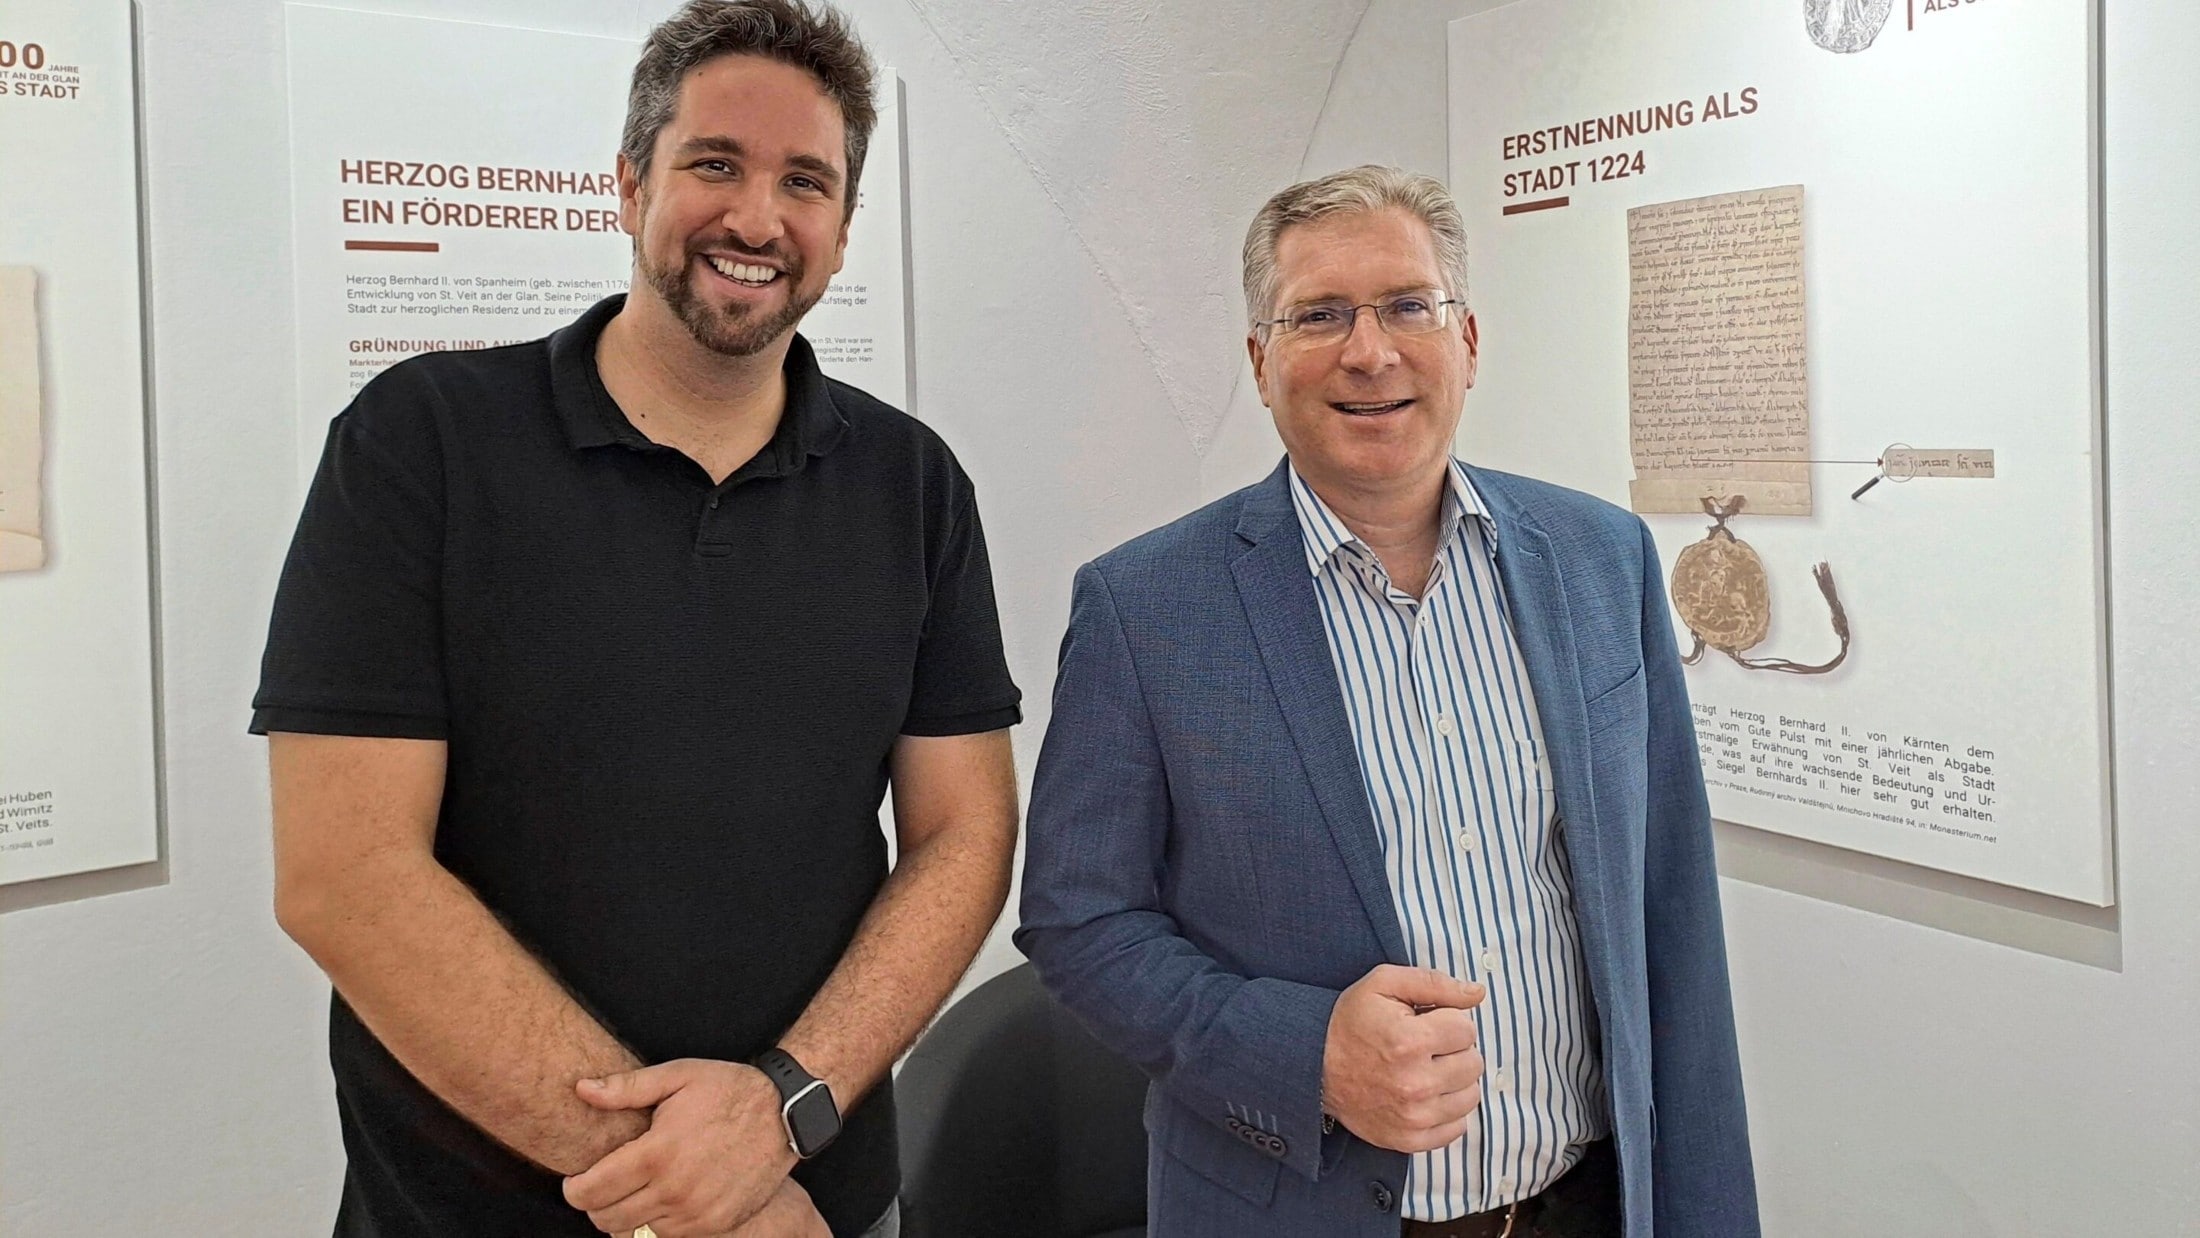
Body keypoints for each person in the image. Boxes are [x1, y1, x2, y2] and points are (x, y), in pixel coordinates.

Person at [255, 3, 1022, 1236]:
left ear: (841, 226)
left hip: (821, 1189)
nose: (758, 218)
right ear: (627, 184)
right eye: (713, 163)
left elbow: (963, 836)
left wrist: (783, 1106)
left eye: (804, 182)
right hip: (487, 1209)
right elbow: (344, 876)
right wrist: (698, 1188)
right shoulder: (423, 443)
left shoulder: (913, 485)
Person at [1016, 165, 1758, 1238]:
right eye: (1319, 315)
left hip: (1592, 1203)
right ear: (1261, 363)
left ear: (1466, 341)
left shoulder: (1602, 560)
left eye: (1409, 304)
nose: (1370, 350)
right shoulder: (1146, 611)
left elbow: (1670, 906)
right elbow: (1077, 919)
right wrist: (1301, 1052)